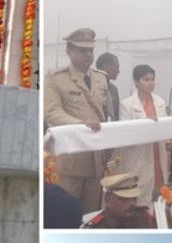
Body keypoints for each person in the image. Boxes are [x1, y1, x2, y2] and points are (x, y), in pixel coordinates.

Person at [44, 27, 111, 213]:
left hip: (96, 160)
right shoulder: (56, 78)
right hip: (70, 159)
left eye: (90, 50)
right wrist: (80, 124)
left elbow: (107, 114)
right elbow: (52, 112)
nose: (88, 55)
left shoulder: (101, 78)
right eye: (82, 50)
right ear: (69, 51)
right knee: (66, 213)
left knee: (91, 215)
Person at [112, 65, 169, 208]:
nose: (150, 83)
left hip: (157, 152)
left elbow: (165, 126)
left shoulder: (160, 101)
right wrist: (147, 123)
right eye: (146, 79)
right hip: (137, 153)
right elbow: (126, 131)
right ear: (136, 82)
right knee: (139, 191)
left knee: (159, 191)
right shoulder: (127, 104)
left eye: (152, 79)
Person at [82, 172, 155, 229]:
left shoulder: (144, 217)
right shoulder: (93, 228)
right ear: (108, 198)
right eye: (124, 199)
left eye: (134, 198)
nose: (132, 203)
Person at [96, 52, 120, 121]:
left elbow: (116, 115)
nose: (118, 71)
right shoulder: (91, 86)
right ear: (105, 66)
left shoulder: (114, 89)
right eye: (116, 67)